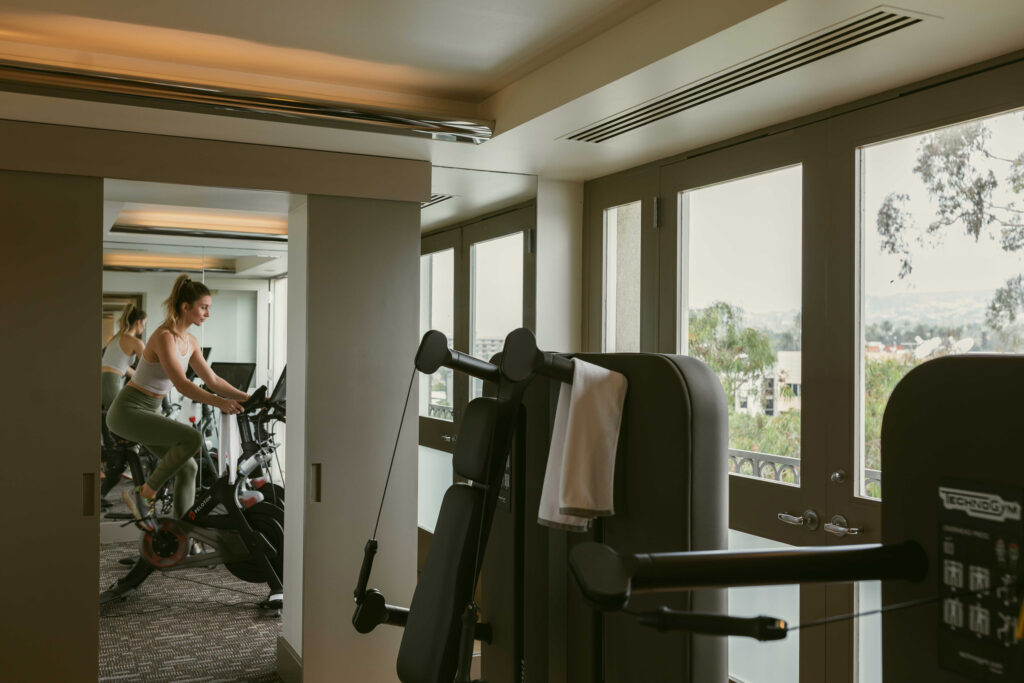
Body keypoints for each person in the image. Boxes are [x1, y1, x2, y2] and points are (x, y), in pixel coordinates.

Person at [106, 274, 248, 530]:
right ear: (186, 307)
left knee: (188, 468)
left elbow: (213, 379)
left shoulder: (191, 342)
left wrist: (248, 398)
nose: (207, 314)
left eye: (208, 308)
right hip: (127, 411)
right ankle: (144, 492)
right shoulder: (164, 337)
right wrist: (220, 403)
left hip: (150, 410)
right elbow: (182, 384)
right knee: (192, 439)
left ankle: (182, 532)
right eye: (203, 307)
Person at [101, 303, 146, 410]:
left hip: (103, 383)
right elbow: (148, 366)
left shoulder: (115, 339)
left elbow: (119, 367)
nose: (144, 327)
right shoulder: (136, 342)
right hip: (112, 383)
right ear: (138, 322)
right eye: (144, 323)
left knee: (116, 422)